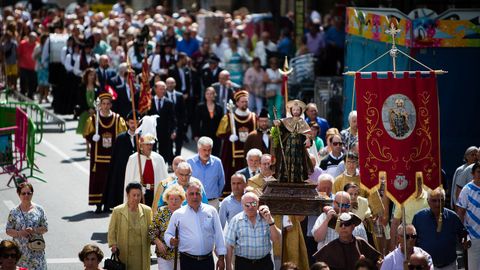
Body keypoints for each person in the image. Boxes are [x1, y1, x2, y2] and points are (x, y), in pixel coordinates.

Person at [165, 180, 227, 270]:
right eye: (191, 194)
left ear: (202, 195)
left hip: (207, 261)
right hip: (187, 262)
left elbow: (219, 235)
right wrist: (171, 240)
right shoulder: (178, 214)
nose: (195, 197)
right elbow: (168, 234)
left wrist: (221, 258)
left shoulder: (211, 211)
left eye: (197, 193)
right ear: (186, 196)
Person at [83, 92, 127, 213]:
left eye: (108, 104)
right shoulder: (93, 119)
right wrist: (92, 137)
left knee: (111, 181)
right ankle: (98, 204)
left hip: (112, 157)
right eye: (103, 104)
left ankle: (108, 203)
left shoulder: (117, 119)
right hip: (98, 157)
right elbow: (86, 134)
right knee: (98, 181)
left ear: (111, 105)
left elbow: (122, 136)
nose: (106, 106)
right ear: (100, 105)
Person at [413, 187, 468, 270]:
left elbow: (463, 234)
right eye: (434, 200)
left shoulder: (452, 217)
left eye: (441, 200)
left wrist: (466, 240)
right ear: (428, 201)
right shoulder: (419, 218)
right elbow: (412, 239)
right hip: (426, 266)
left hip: (449, 265)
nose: (438, 204)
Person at [225, 192, 281, 270]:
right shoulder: (236, 220)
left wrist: (271, 221)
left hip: (264, 263)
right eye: (247, 205)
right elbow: (229, 245)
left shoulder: (266, 217)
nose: (250, 207)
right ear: (242, 205)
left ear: (258, 204)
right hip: (243, 264)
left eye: (253, 204)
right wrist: (228, 266)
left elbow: (276, 239)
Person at [217, 90, 257, 193]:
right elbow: (219, 133)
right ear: (237, 103)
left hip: (250, 154)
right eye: (242, 101)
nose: (245, 104)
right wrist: (228, 136)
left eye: (246, 101)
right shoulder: (229, 117)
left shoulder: (253, 117)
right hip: (233, 155)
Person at [108, 182, 153, 270]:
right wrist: (113, 245)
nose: (136, 198)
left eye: (138, 195)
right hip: (124, 252)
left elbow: (151, 230)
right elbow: (112, 230)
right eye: (134, 195)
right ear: (128, 195)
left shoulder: (147, 211)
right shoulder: (118, 211)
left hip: (141, 253)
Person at [314, 212, 381, 269]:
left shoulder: (361, 243)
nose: (343, 227)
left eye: (347, 224)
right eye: (340, 224)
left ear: (353, 226)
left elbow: (376, 263)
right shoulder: (329, 248)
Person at [6, 183, 48, 270]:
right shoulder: (14, 212)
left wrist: (34, 230)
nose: (26, 195)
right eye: (23, 193)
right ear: (19, 194)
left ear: (32, 194)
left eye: (29, 193)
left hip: (37, 252)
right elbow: (8, 230)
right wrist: (19, 233)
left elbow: (45, 228)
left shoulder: (39, 209)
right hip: (21, 253)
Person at [104, 111, 139, 210]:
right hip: (123, 171)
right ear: (127, 123)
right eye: (131, 122)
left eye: (136, 122)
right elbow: (115, 158)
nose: (133, 125)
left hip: (137, 171)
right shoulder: (121, 138)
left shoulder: (142, 137)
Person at [272, 99, 313, 183]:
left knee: (298, 161)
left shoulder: (303, 122)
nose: (295, 111)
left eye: (297, 110)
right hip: (288, 146)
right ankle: (285, 176)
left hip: (298, 147)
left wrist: (308, 139)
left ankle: (298, 177)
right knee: (286, 160)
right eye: (294, 110)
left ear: (301, 111)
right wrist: (277, 122)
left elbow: (308, 133)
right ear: (291, 111)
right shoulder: (288, 120)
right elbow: (281, 123)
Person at [124, 133, 168, 207]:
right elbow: (129, 179)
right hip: (140, 194)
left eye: (151, 144)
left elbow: (165, 179)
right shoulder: (133, 159)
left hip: (154, 193)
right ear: (141, 145)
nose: (150, 147)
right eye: (147, 144)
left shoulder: (159, 158)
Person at [149, 184, 185, 270]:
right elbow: (151, 230)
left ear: (182, 199)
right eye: (171, 199)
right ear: (166, 199)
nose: (173, 201)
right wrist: (158, 242)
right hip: (163, 254)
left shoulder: (186, 212)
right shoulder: (161, 211)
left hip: (182, 254)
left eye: (176, 199)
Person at [390, 178, 429, 250]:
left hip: (425, 240)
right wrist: (393, 246)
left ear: (421, 182)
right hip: (408, 240)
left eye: (418, 181)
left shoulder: (430, 198)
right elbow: (395, 222)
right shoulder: (402, 198)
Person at [187, 136, 225, 209]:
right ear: (198, 149)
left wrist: (215, 195)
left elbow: (221, 181)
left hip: (212, 202)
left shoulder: (217, 162)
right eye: (204, 150)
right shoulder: (190, 162)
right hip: (194, 201)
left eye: (209, 150)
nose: (207, 153)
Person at [456, 161, 480, 270]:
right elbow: (460, 212)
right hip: (473, 237)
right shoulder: (467, 190)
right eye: (479, 172)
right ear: (473, 173)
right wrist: (462, 234)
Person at [306, 174, 334, 265]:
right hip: (311, 236)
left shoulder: (336, 200)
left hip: (329, 237)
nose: (326, 190)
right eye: (323, 187)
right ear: (318, 186)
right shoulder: (311, 197)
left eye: (328, 188)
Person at [148, 80, 176, 165]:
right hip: (152, 132)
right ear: (155, 89)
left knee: (164, 151)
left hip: (165, 132)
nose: (162, 91)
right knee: (152, 150)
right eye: (160, 89)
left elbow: (172, 118)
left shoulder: (169, 102)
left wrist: (173, 131)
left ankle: (162, 167)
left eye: (164, 89)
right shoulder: (149, 101)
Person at [193, 87, 224, 156]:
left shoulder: (219, 107)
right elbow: (196, 121)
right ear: (205, 95)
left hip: (216, 136)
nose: (209, 95)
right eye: (207, 94)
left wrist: (222, 134)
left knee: (216, 154)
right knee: (204, 154)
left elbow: (222, 123)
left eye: (211, 94)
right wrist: (196, 135)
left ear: (214, 95)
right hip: (204, 134)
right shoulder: (200, 106)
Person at [165, 77, 186, 157]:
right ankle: (170, 162)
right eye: (168, 83)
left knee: (179, 144)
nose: (170, 85)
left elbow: (183, 111)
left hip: (179, 124)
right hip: (168, 125)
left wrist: (183, 123)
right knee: (169, 145)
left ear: (175, 84)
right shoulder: (164, 95)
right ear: (166, 84)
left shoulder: (180, 95)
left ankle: (178, 160)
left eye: (172, 83)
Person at [76, 68, 98, 136]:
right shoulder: (82, 87)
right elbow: (80, 100)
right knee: (85, 132)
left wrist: (94, 109)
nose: (92, 77)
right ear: (86, 76)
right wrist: (88, 109)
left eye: (93, 75)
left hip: (95, 112)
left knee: (94, 131)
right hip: (84, 111)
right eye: (90, 75)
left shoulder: (97, 87)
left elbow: (98, 99)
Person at [18, 32, 38, 99]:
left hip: (33, 67)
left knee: (32, 82)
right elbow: (19, 54)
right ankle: (22, 94)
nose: (33, 39)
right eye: (32, 37)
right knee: (23, 81)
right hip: (23, 66)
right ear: (29, 37)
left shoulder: (37, 45)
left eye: (34, 38)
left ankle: (30, 95)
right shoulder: (23, 43)